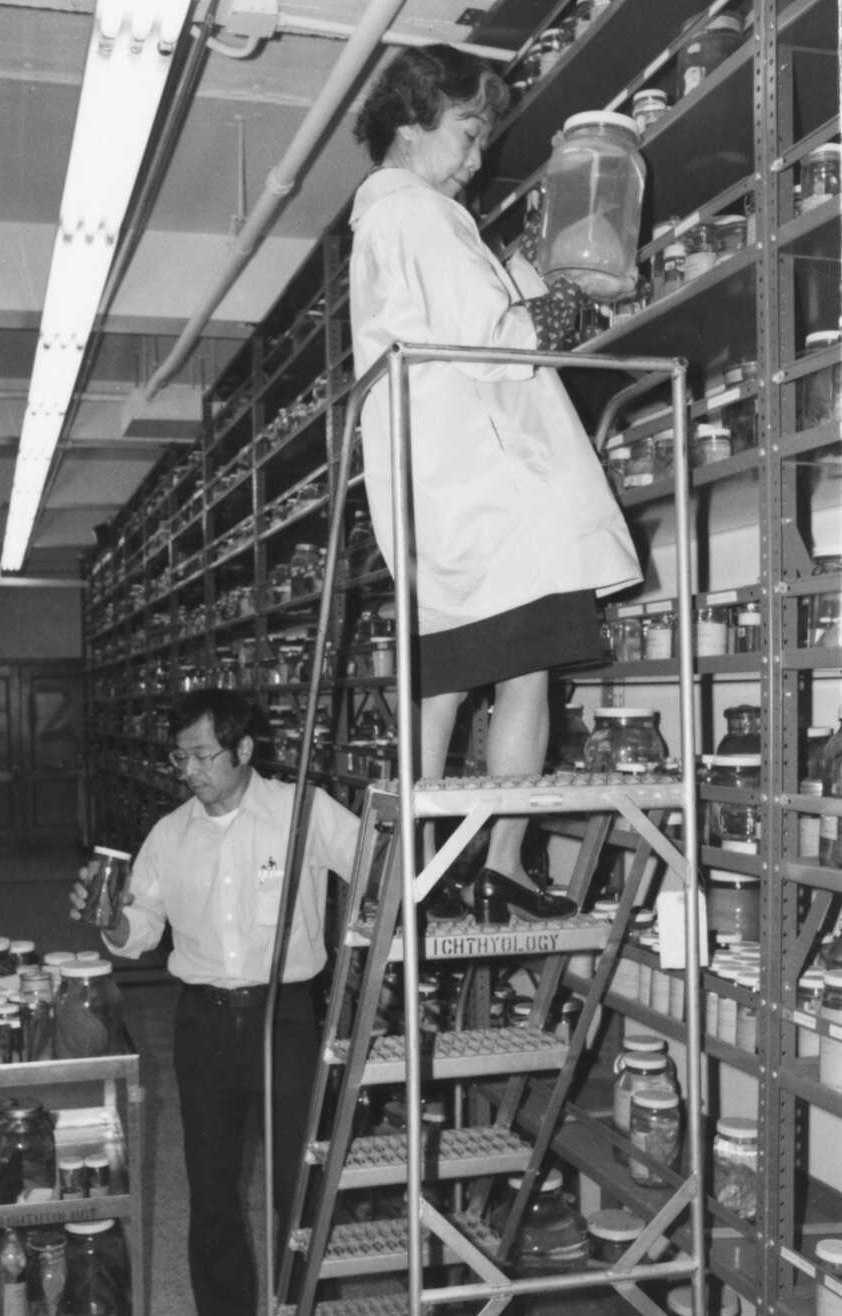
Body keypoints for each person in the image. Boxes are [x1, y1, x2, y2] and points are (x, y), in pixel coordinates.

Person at [349, 45, 642, 923]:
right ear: (412, 123)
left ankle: (411, 872)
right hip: (495, 494)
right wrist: (575, 299)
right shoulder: (421, 215)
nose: (479, 157)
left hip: (444, 495)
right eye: (470, 133)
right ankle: (506, 859)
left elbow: (471, 314)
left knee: (439, 683)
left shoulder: (387, 224)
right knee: (526, 679)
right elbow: (503, 344)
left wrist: (526, 270)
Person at [69, 689, 359, 1316]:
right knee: (212, 1180)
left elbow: (379, 864)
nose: (189, 769)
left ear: (245, 751)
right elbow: (139, 931)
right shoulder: (171, 834)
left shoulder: (304, 812)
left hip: (286, 1015)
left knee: (301, 1179)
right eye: (181, 756)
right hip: (203, 1019)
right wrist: (106, 920)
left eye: (203, 755)